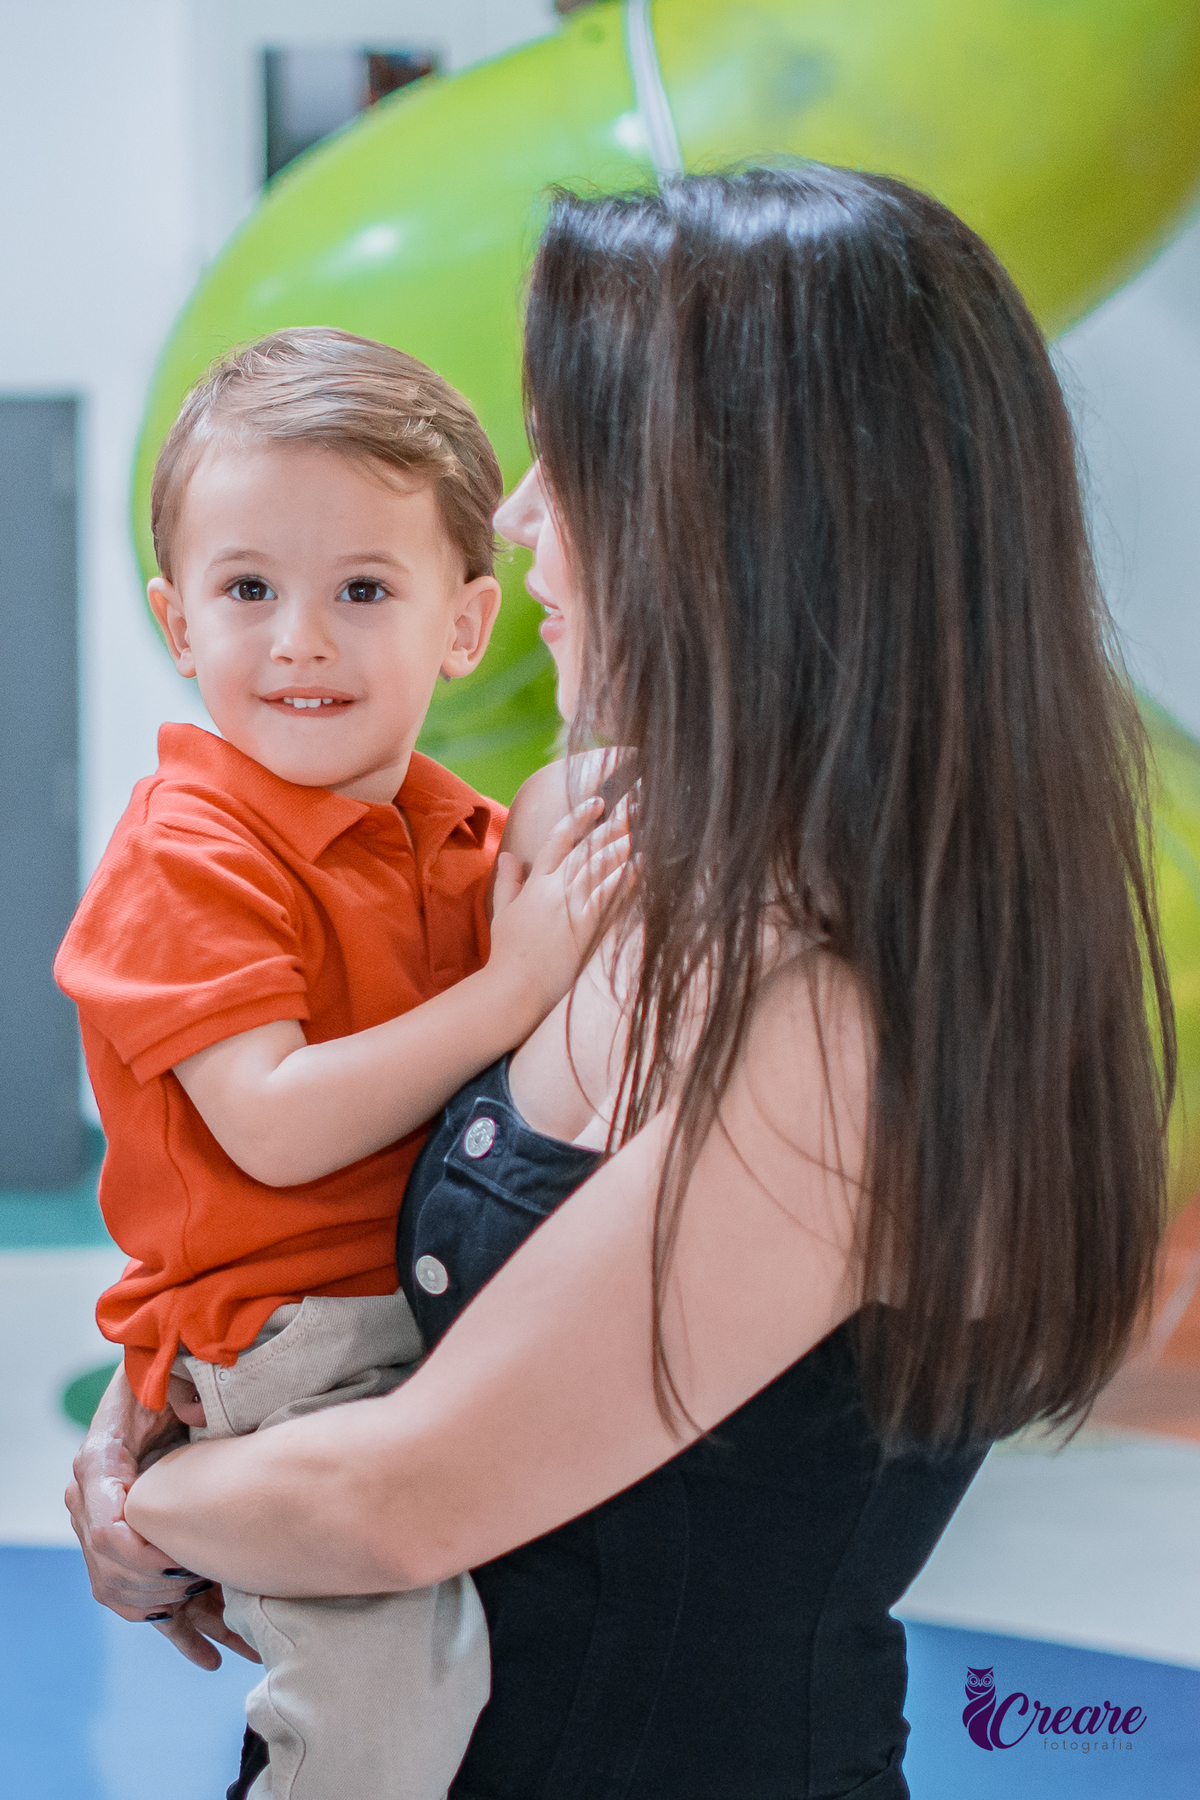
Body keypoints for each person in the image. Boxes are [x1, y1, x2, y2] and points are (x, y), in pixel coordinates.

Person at [73, 168, 1174, 1800]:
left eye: (558, 462)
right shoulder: (592, 835)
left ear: (729, 518)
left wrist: (143, 1506)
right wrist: (170, 1407)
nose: (515, 521)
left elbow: (401, 1497)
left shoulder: (841, 1026)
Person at [54, 326, 628, 1800]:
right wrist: (519, 983)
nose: (299, 638)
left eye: (362, 590)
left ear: (465, 622)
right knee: (377, 1716)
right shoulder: (186, 851)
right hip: (291, 1343)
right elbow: (278, 1127)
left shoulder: (464, 829)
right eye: (249, 591)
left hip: (429, 1309)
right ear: (178, 623)